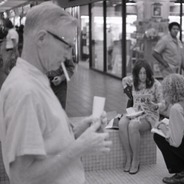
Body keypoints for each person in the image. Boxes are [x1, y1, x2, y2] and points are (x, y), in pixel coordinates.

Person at [0, 2, 112, 184]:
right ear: (42, 38)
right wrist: (80, 147)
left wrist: (78, 130)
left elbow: (48, 145)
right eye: (67, 45)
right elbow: (23, 176)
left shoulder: (37, 80)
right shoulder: (24, 91)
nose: (69, 56)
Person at [119, 61, 164, 174]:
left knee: (133, 125)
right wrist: (126, 88)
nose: (142, 76)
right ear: (136, 74)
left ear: (148, 73)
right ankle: (128, 157)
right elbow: (124, 79)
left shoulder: (156, 84)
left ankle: (136, 159)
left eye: (145, 73)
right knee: (122, 123)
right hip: (135, 112)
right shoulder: (134, 81)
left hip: (149, 116)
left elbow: (163, 103)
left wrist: (156, 106)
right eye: (140, 73)